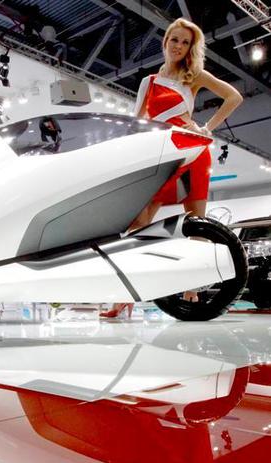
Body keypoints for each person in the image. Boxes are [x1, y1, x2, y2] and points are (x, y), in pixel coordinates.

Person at [100, 17, 243, 318]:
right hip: (160, 153)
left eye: (185, 42)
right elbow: (137, 123)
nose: (179, 46)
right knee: (139, 222)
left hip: (192, 151)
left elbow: (234, 97)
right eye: (175, 40)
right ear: (165, 42)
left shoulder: (195, 76)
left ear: (190, 48)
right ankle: (127, 294)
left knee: (196, 225)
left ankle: (191, 292)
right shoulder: (149, 81)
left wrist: (206, 127)